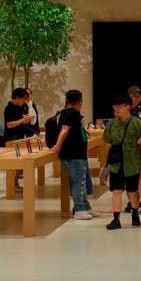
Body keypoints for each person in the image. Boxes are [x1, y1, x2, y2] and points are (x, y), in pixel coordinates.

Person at [101, 95, 141, 230]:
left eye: (119, 107)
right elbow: (107, 140)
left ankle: (135, 212)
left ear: (128, 106)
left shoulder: (138, 124)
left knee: (132, 190)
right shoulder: (112, 124)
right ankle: (116, 218)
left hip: (132, 163)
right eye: (115, 107)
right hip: (116, 163)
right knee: (116, 190)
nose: (116, 110)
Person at [49, 88, 94, 220]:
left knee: (82, 181)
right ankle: (79, 209)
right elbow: (65, 129)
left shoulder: (67, 113)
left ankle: (85, 206)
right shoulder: (71, 114)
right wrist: (58, 145)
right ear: (79, 101)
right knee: (78, 182)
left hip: (78, 154)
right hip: (73, 155)